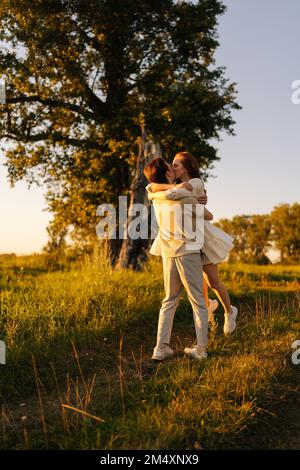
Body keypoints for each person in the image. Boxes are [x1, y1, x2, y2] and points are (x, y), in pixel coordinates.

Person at [146, 151, 238, 335]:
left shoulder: (195, 183)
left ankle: (229, 311)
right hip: (188, 237)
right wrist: (160, 189)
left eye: (176, 165)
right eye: (171, 165)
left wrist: (158, 193)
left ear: (186, 167)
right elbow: (152, 188)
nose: (172, 167)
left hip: (201, 237)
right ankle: (207, 307)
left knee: (212, 281)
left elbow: (171, 195)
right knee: (197, 279)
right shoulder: (177, 185)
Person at [143, 157, 209, 362]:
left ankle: (161, 348)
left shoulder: (156, 195)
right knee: (198, 301)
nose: (173, 169)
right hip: (187, 251)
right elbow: (206, 215)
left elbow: (150, 187)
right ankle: (201, 350)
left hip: (168, 253)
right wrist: (198, 199)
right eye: (170, 168)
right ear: (167, 174)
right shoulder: (179, 194)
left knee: (169, 300)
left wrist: (199, 199)